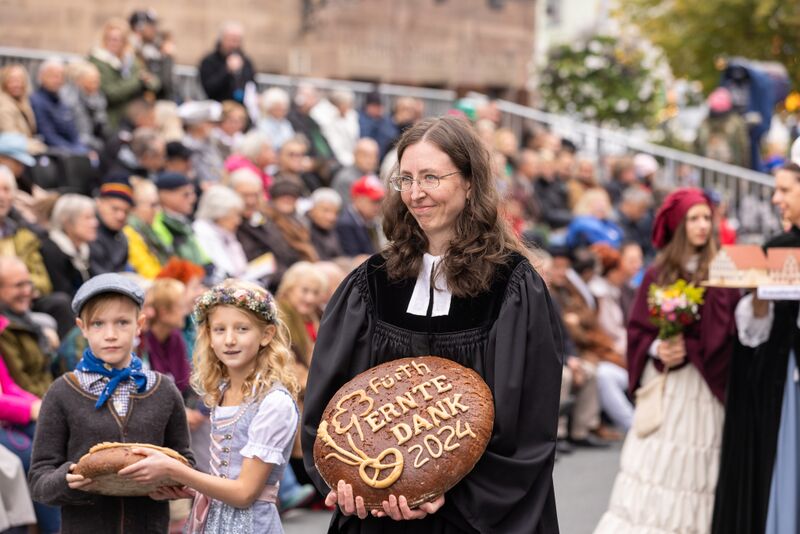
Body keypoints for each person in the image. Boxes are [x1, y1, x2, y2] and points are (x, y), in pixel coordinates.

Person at [302, 116, 563, 533]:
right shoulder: (371, 283)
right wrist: (345, 484)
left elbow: (530, 422)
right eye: (405, 179)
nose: (416, 193)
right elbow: (328, 406)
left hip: (475, 516)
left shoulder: (512, 285)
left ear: (470, 183)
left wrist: (448, 492)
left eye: (430, 177)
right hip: (377, 515)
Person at [594, 188, 740, 534]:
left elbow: (732, 329)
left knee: (698, 469)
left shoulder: (724, 270)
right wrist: (659, 347)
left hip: (704, 390)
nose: (703, 225)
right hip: (670, 386)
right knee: (657, 466)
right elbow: (639, 329)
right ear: (678, 223)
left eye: (707, 217)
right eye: (694, 218)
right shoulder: (657, 274)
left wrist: (693, 345)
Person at [116, 279, 301, 532]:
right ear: (209, 337)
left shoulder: (273, 402)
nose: (230, 340)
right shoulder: (223, 391)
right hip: (213, 522)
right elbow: (226, 479)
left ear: (266, 335)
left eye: (242, 329)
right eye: (220, 329)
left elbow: (245, 492)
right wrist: (188, 488)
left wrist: (176, 470)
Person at [28, 273, 194, 533]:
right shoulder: (62, 392)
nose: (110, 335)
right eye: (98, 324)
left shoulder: (163, 390)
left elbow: (185, 461)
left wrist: (172, 483)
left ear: (139, 324)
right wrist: (67, 478)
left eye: (122, 322)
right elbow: (39, 480)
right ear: (81, 327)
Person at [712, 163, 800, 534]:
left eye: (785, 190)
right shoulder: (777, 249)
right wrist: (760, 298)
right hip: (786, 381)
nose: (776, 199)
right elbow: (756, 330)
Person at [0, 314, 60, 533]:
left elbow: (8, 386)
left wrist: (39, 404)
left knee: (50, 437)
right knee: (31, 456)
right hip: (5, 420)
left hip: (7, 418)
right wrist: (29, 409)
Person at [89, 18, 161, 131]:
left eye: (118, 39)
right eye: (110, 39)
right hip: (112, 113)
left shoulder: (130, 60)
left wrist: (146, 80)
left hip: (134, 110)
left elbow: (154, 84)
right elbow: (111, 93)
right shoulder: (98, 61)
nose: (113, 43)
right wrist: (137, 81)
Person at [40, 194, 98, 298]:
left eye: (94, 217)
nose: (95, 223)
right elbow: (63, 291)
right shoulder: (51, 249)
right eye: (88, 218)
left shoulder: (85, 249)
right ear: (67, 221)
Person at [29, 59, 87, 154]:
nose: (58, 80)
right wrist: (74, 151)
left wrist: (80, 148)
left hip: (70, 148)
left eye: (61, 77)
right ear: (41, 77)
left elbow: (72, 132)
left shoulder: (61, 101)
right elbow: (48, 136)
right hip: (54, 153)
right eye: (54, 76)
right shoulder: (37, 101)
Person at [192, 184, 248, 279]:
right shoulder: (202, 231)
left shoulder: (226, 232)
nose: (238, 221)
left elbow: (241, 266)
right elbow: (222, 270)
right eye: (235, 215)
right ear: (219, 215)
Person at [124, 177, 171, 278]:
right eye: (153, 205)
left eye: (158, 204)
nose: (158, 210)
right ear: (134, 207)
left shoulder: (150, 227)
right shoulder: (129, 232)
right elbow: (149, 273)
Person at [199, 22, 255, 104]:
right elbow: (209, 88)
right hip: (217, 104)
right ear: (221, 39)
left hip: (241, 106)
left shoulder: (246, 62)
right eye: (230, 40)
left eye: (237, 40)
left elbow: (251, 84)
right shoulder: (209, 61)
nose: (233, 44)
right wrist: (227, 70)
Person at [60, 61, 109, 153]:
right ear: (79, 81)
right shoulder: (69, 97)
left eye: (97, 80)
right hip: (76, 141)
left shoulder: (98, 97)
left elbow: (102, 124)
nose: (97, 84)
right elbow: (75, 129)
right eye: (92, 81)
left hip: (93, 140)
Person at [89, 174, 133, 275]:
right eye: (115, 209)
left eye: (126, 211)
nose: (120, 216)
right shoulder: (89, 232)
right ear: (99, 203)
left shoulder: (122, 238)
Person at [0, 64, 46, 154]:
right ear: (4, 83)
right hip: (12, 154)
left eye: (19, 81)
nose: (16, 85)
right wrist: (36, 146)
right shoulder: (3, 106)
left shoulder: (25, 102)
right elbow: (11, 137)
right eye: (11, 81)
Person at [336, 174, 385, 256]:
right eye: (374, 201)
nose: (378, 206)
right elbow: (355, 258)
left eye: (380, 201)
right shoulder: (346, 223)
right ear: (358, 199)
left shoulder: (368, 220)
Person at [331, 137, 379, 206]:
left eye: (374, 156)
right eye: (365, 155)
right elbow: (348, 209)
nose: (371, 160)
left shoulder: (372, 175)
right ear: (355, 155)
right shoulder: (346, 179)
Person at [306, 187, 344, 260]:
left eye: (336, 212)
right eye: (326, 211)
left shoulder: (333, 229)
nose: (331, 217)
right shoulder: (304, 229)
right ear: (312, 209)